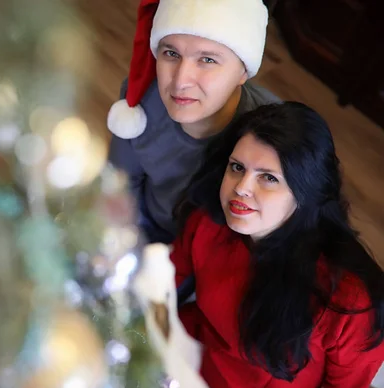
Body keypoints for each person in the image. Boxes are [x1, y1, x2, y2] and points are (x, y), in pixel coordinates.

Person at [170, 101, 384, 388]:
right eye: (237, 167)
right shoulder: (206, 220)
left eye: (268, 177)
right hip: (184, 363)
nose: (241, 187)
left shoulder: (348, 302)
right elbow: (164, 283)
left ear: (304, 193)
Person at [107, 0, 280, 244]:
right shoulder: (140, 99)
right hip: (147, 228)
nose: (180, 81)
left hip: (214, 257)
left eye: (207, 60)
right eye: (171, 53)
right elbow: (120, 183)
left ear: (243, 72)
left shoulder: (273, 132)